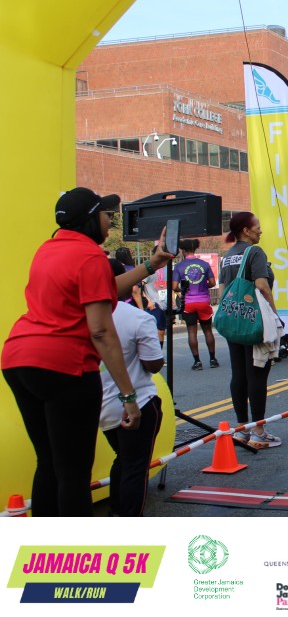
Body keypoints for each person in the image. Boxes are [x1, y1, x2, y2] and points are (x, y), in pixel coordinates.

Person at [2, 187, 172, 516]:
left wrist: (151, 265)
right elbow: (100, 331)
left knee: (49, 461)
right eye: (106, 215)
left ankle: (43, 544)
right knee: (75, 473)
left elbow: (102, 288)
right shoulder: (90, 256)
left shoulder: (48, 249)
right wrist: (128, 396)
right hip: (64, 366)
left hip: (19, 359)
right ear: (91, 219)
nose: (110, 222)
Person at [100, 259, 164, 516]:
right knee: (136, 467)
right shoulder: (138, 317)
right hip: (137, 402)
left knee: (123, 459)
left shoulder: (79, 314)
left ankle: (115, 512)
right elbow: (154, 364)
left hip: (102, 406)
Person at [219, 211, 281, 450]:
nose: (260, 230)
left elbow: (223, 289)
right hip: (254, 320)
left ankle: (242, 428)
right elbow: (262, 286)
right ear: (246, 230)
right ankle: (258, 432)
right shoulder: (254, 252)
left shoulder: (227, 256)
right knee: (257, 373)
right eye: (257, 226)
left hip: (233, 320)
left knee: (238, 374)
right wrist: (274, 315)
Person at [173, 239, 219, 370]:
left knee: (191, 332)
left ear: (183, 251)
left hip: (189, 303)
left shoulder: (179, 266)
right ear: (194, 250)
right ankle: (213, 359)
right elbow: (212, 283)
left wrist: (183, 289)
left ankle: (197, 362)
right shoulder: (204, 264)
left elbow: (174, 286)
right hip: (204, 301)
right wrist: (203, 286)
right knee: (208, 330)